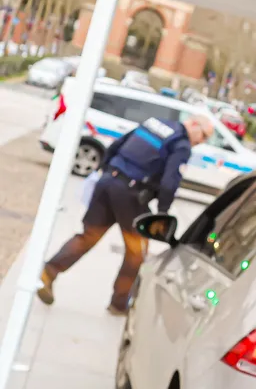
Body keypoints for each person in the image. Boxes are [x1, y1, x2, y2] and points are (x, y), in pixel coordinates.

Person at [37, 115, 213, 314]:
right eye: (204, 136)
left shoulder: (155, 123)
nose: (201, 142)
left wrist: (105, 172)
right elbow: (170, 182)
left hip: (108, 182)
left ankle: (48, 272)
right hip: (130, 194)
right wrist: (162, 213)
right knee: (136, 251)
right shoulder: (181, 144)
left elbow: (117, 145)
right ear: (194, 125)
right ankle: (119, 303)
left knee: (88, 236)